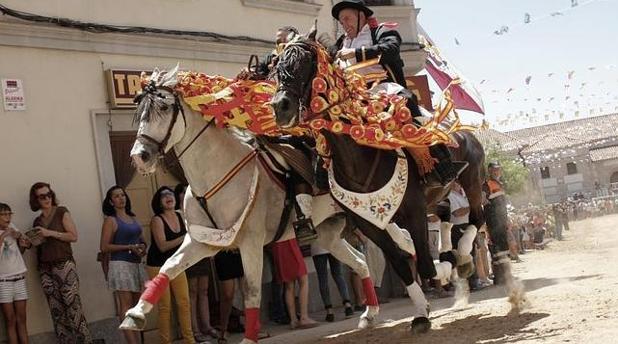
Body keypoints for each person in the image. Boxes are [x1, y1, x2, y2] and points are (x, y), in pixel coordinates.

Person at [330, 0, 466, 186]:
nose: (344, 24)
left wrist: (356, 52)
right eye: (341, 21)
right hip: (352, 96)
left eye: (347, 18)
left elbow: (391, 49)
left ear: (362, 16)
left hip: (382, 88)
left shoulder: (381, 32)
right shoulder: (340, 44)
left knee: (406, 102)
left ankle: (436, 165)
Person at [29, 182, 92, 344]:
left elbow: (73, 236)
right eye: (42, 196)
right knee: (56, 312)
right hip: (45, 267)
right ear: (35, 199)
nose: (47, 198)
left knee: (74, 308)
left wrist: (49, 233)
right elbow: (39, 245)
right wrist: (29, 241)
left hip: (64, 265)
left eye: (49, 194)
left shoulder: (61, 212)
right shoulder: (37, 221)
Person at [146, 186, 195, 344]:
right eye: (163, 195)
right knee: (165, 307)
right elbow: (163, 246)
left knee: (184, 302)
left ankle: (190, 341)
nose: (168, 197)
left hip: (176, 264)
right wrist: (185, 236)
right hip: (158, 266)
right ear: (159, 202)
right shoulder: (157, 219)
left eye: (170, 194)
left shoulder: (181, 216)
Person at [99, 186, 147, 344]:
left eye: (123, 195)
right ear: (111, 201)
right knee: (125, 306)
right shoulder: (111, 220)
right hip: (120, 264)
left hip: (136, 264)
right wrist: (128, 247)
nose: (121, 198)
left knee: (137, 306)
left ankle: (138, 340)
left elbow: (142, 240)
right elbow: (104, 247)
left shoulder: (133, 218)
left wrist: (142, 247)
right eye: (117, 196)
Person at [175, 184, 218, 343]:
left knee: (204, 291)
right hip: (189, 255)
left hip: (202, 254)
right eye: (180, 193)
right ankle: (194, 329)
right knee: (192, 292)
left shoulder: (197, 210)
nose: (183, 195)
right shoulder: (178, 214)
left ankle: (206, 325)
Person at [0, 203, 30, 344]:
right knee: (10, 320)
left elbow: (19, 252)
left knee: (22, 319)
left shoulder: (13, 226)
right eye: (4, 214)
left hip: (19, 278)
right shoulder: (6, 231)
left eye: (9, 214)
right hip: (3, 281)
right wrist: (4, 235)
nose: (7, 217)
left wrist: (22, 243)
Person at [482, 162, 510, 285]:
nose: (496, 172)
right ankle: (499, 276)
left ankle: (506, 274)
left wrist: (506, 218)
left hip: (502, 220)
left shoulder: (500, 184)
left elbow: (503, 205)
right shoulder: (486, 184)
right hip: (494, 221)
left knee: (504, 247)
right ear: (489, 171)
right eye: (494, 170)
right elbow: (484, 201)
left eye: (498, 169)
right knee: (497, 249)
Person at [310, 243, 354, 322]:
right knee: (338, 275)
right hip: (333, 245)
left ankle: (329, 311)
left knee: (322, 278)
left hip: (317, 247)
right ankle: (348, 306)